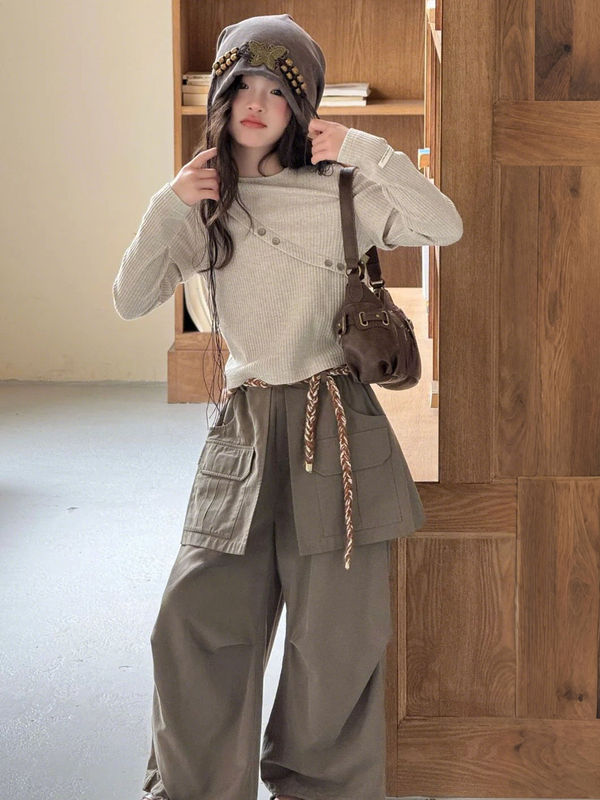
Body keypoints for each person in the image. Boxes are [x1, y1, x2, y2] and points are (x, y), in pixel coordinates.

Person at [112, 13, 463, 800]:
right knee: (194, 621)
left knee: (336, 641)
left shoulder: (342, 190)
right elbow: (130, 299)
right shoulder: (203, 202)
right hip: (243, 430)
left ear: (302, 106)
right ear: (221, 97)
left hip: (338, 428)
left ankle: (321, 790)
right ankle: (196, 788)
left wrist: (367, 150)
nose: (257, 103)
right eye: (242, 85)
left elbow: (445, 225)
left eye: (278, 90)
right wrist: (168, 203)